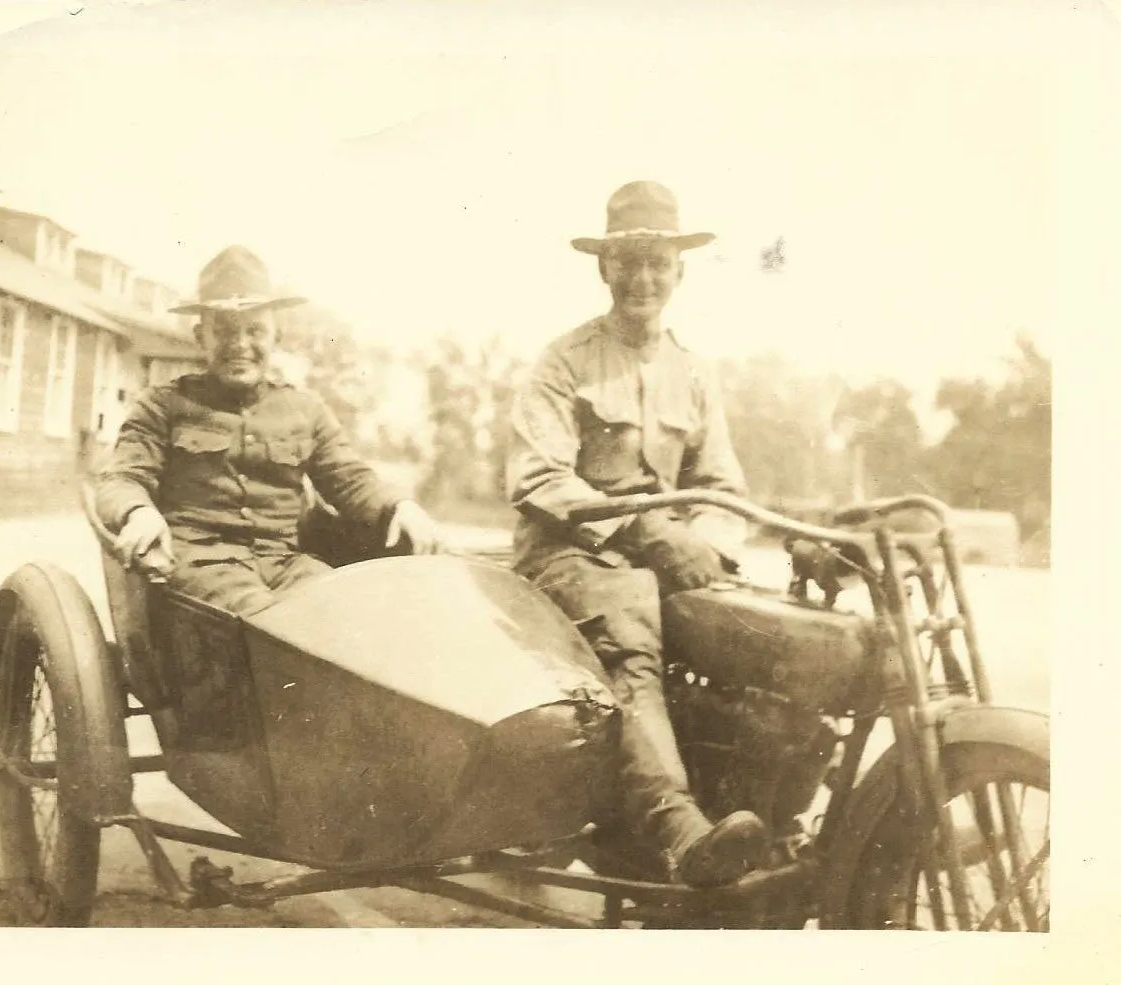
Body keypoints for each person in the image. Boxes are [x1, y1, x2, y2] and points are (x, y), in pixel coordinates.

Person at [506, 181, 770, 887]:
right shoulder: (563, 361)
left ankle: (765, 814)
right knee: (630, 639)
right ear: (604, 270)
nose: (642, 277)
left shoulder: (692, 372)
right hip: (569, 556)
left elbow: (721, 487)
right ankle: (680, 833)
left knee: (763, 639)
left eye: (657, 262)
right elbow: (537, 479)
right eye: (628, 262)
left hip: (664, 561)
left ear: (679, 273)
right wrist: (649, 531)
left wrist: (706, 550)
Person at [95, 245, 442, 615]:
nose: (240, 345)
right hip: (201, 568)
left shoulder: (305, 410)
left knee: (346, 611)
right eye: (224, 331)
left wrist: (400, 505)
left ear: (277, 336)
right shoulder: (161, 405)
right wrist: (138, 513)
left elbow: (350, 478)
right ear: (201, 337)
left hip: (286, 565)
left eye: (255, 331)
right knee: (272, 624)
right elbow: (122, 479)